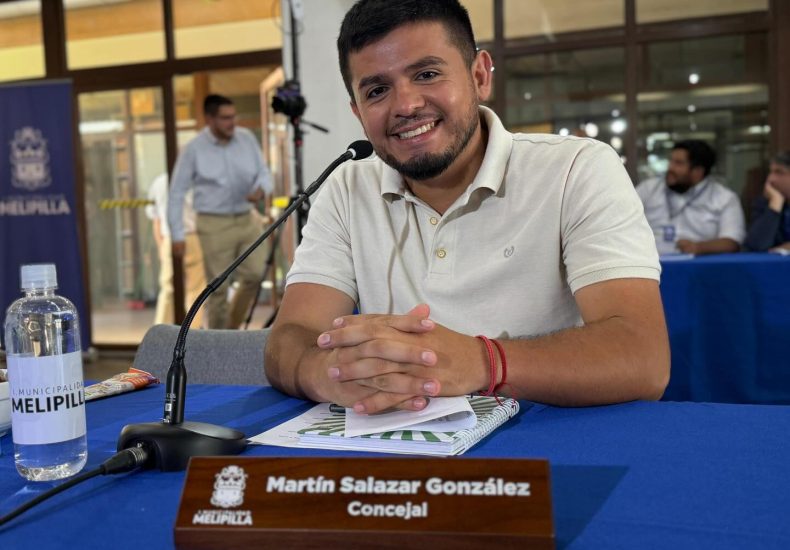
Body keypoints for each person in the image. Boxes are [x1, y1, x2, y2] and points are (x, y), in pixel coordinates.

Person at [264, 0, 669, 414]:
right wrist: (327, 372)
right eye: (377, 91)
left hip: (548, 437)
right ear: (358, 111)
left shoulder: (576, 169)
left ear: (479, 76)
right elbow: (290, 337)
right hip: (399, 438)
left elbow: (642, 357)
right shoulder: (348, 187)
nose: (405, 105)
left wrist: (482, 362)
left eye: (427, 74)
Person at [167, 94, 273, 329]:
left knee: (255, 275)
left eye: (233, 116)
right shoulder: (193, 149)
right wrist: (177, 234)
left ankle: (230, 331)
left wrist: (262, 188)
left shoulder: (246, 139)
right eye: (225, 118)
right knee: (218, 287)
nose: (232, 122)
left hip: (247, 218)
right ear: (209, 119)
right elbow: (176, 192)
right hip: (213, 223)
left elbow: (264, 173)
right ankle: (216, 342)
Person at [636, 140, 745, 255]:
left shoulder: (724, 198)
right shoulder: (648, 189)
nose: (670, 168)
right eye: (671, 161)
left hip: (699, 264)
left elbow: (732, 242)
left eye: (678, 163)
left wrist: (698, 247)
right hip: (648, 262)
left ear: (698, 171)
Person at [145, 173, 206, 327]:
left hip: (169, 238)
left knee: (168, 287)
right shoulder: (195, 181)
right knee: (196, 289)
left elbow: (156, 220)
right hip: (193, 236)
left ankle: (161, 330)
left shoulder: (159, 182)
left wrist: (161, 245)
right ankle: (191, 331)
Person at [743, 151, 790, 252]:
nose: (770, 179)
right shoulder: (764, 203)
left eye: (779, 172)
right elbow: (755, 246)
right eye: (770, 172)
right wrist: (775, 204)